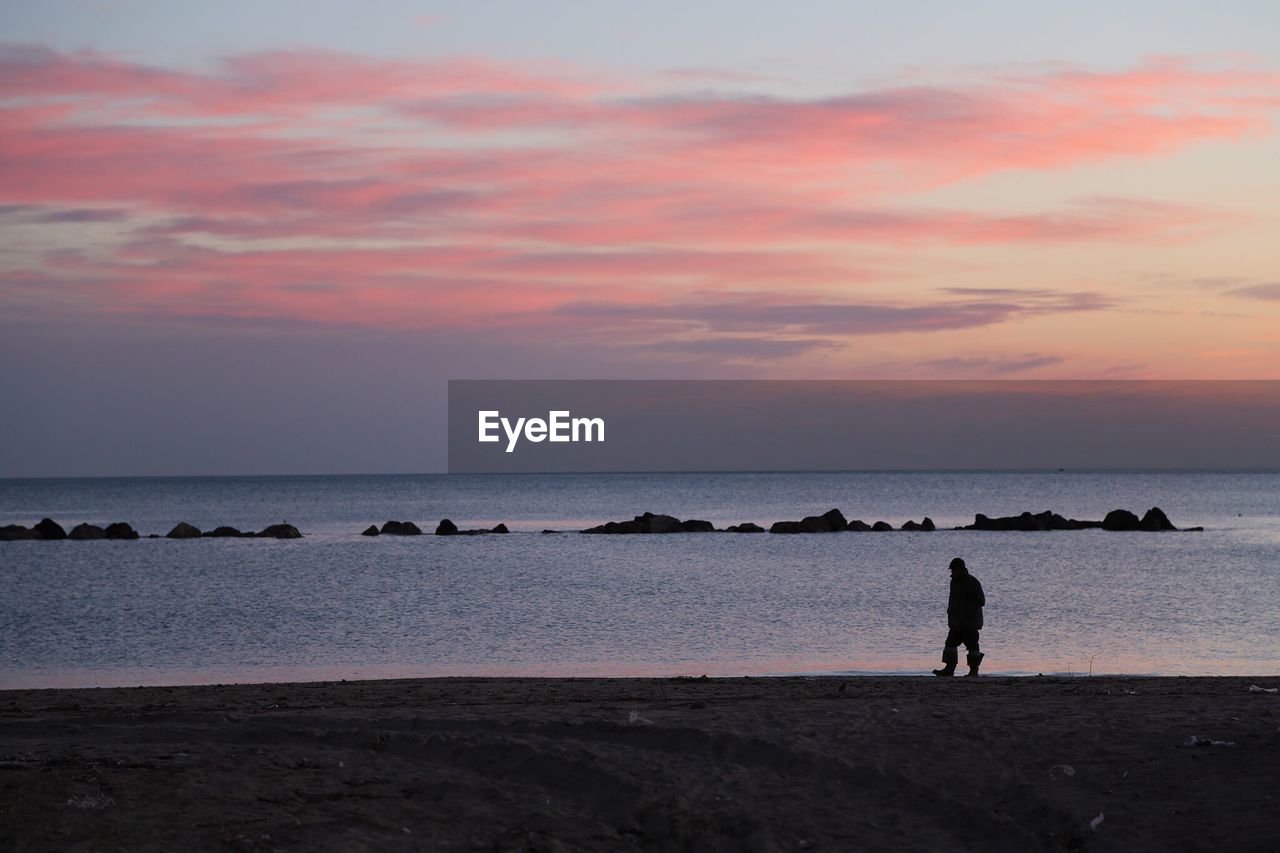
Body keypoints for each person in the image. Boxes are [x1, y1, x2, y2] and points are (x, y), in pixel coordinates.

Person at [933, 557, 985, 677]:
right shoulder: (954, 582)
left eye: (954, 570)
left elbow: (980, 601)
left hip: (969, 622)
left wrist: (967, 613)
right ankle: (949, 669)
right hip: (957, 622)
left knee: (972, 646)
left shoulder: (972, 582)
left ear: (960, 569)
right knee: (950, 644)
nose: (952, 573)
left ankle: (973, 671)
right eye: (952, 570)